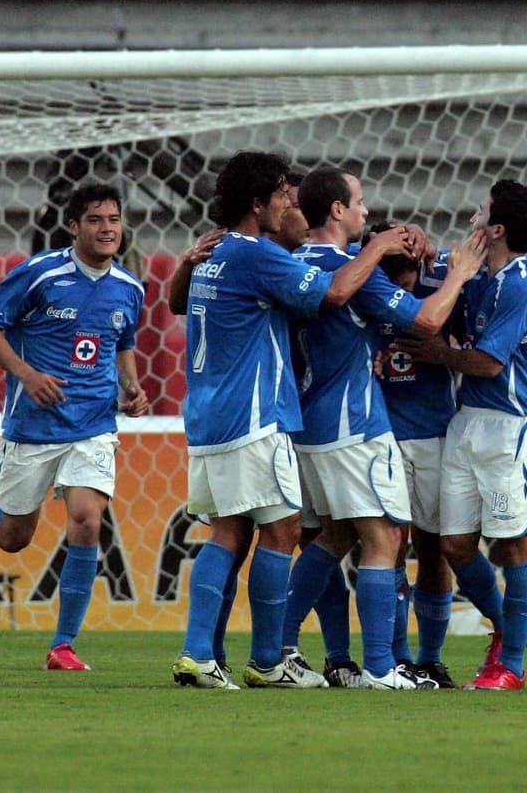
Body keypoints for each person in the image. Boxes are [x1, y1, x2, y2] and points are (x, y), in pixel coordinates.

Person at [171, 151, 411, 690]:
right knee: (281, 530)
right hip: (253, 415)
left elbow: (176, 303)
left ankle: (199, 654)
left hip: (208, 415)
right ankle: (266, 660)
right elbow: (335, 291)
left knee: (229, 530)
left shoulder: (215, 251)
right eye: (283, 194)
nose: (290, 203)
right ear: (258, 204)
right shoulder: (258, 255)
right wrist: (377, 247)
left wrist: (186, 263)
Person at [280, 166, 486, 690]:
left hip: (304, 424)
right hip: (352, 424)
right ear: (337, 210)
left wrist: (396, 242)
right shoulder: (354, 270)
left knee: (334, 537)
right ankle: (380, 667)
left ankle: (276, 648)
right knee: (386, 536)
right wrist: (459, 274)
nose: (365, 210)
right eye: (359, 202)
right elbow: (426, 320)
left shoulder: (291, 262)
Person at [0, 182, 150, 671]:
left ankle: (63, 645)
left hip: (93, 424)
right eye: (95, 220)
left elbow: (122, 342)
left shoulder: (129, 287)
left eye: (113, 220)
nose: (106, 229)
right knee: (14, 536)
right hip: (33, 427)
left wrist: (131, 386)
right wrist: (27, 375)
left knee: (87, 519)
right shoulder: (40, 274)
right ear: (73, 226)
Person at [398, 179, 527, 691]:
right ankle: (508, 630)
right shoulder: (472, 271)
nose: (471, 219)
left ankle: (511, 665)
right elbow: (427, 267)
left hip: (512, 428)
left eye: (480, 212)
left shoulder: (520, 285)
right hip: (467, 422)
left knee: (514, 545)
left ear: (497, 230)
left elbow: (488, 363)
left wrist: (438, 354)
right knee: (455, 544)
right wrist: (416, 239)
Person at [375, 236, 464, 688]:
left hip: (434, 435)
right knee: (388, 549)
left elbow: (487, 322)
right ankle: (397, 657)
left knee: (433, 550)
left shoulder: (444, 288)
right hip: (382, 437)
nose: (400, 295)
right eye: (393, 284)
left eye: (407, 285)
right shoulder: (362, 284)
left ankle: (430, 658)